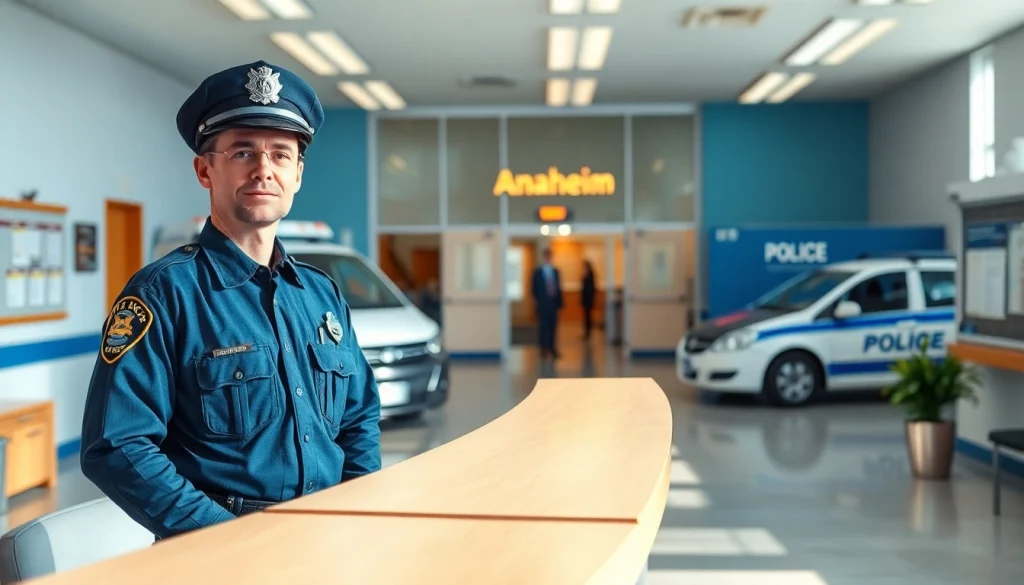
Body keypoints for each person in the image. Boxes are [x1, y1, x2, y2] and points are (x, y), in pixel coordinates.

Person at [79, 60, 382, 541]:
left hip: (328, 539)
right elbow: (116, 445)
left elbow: (359, 417)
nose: (264, 170)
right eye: (243, 152)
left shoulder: (320, 294)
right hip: (217, 548)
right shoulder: (163, 294)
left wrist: (354, 514)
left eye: (280, 155)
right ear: (205, 169)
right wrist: (225, 539)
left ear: (298, 174)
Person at [530, 247, 563, 359]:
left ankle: (552, 348)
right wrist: (537, 302)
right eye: (546, 256)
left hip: (553, 304)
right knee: (543, 327)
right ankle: (544, 348)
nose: (548, 258)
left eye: (550, 256)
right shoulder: (537, 272)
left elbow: (558, 288)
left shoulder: (555, 271)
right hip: (543, 304)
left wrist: (559, 303)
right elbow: (534, 289)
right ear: (543, 257)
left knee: (553, 326)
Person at [581, 259, 596, 340]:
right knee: (586, 316)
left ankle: (588, 333)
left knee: (588, 316)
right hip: (585, 299)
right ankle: (586, 333)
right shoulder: (586, 274)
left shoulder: (590, 275)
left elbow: (591, 288)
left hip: (588, 299)